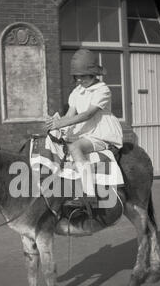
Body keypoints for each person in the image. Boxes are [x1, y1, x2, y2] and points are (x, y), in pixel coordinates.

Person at [46, 49, 123, 203]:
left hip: (101, 133)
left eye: (83, 76)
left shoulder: (103, 90)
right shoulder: (76, 92)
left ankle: (89, 194)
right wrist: (55, 125)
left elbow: (87, 114)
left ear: (93, 74)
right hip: (84, 131)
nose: (79, 80)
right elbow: (70, 114)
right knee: (55, 143)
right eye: (76, 77)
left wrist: (61, 123)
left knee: (75, 147)